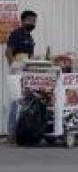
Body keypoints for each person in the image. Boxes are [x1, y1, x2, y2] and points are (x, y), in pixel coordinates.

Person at [4, 10, 37, 139]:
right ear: (22, 21)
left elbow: (31, 56)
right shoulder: (16, 34)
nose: (32, 23)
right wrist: (13, 66)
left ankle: (22, 131)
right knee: (15, 100)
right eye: (29, 20)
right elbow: (8, 52)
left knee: (25, 101)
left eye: (34, 21)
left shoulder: (30, 37)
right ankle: (11, 133)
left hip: (26, 70)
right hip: (16, 69)